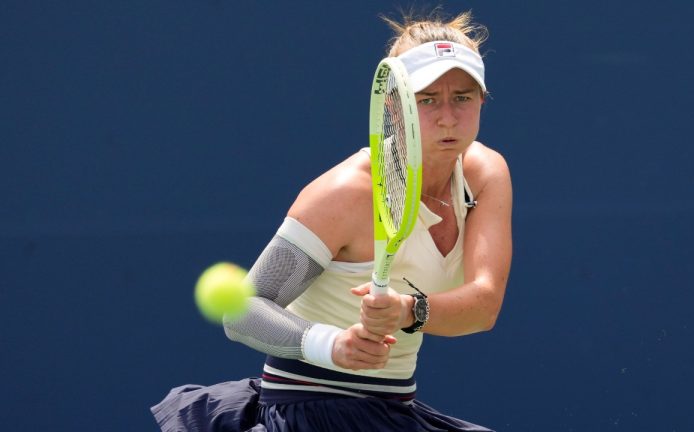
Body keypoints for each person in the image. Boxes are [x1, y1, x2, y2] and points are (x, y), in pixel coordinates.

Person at [151, 9, 512, 432]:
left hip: (392, 410)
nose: (448, 117)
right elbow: (243, 310)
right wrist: (330, 344)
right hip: (307, 412)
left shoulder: (485, 173)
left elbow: (483, 308)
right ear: (394, 106)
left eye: (462, 98)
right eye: (427, 99)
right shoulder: (345, 193)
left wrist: (407, 310)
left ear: (482, 100)